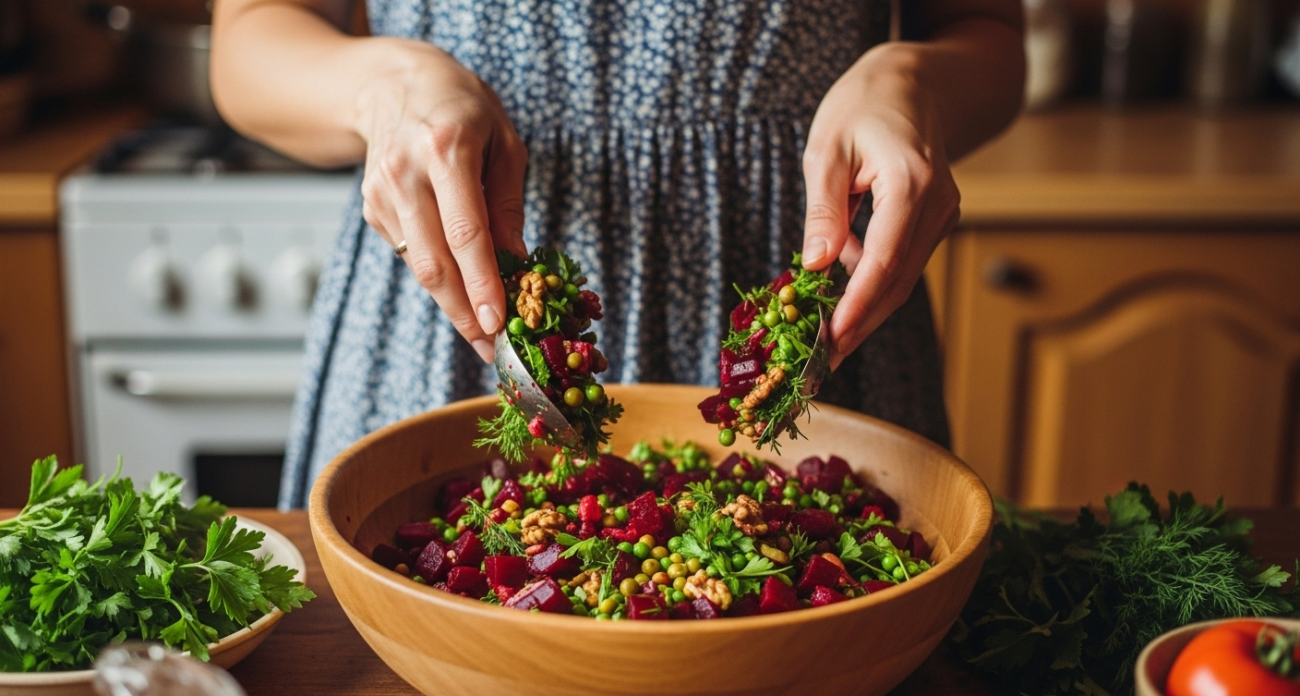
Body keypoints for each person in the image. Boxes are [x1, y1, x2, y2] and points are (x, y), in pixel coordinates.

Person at [210, 0, 1025, 508]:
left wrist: (911, 79)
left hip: (812, 268)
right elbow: (248, 39)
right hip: (460, 279)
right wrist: (384, 85)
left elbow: (985, 34)